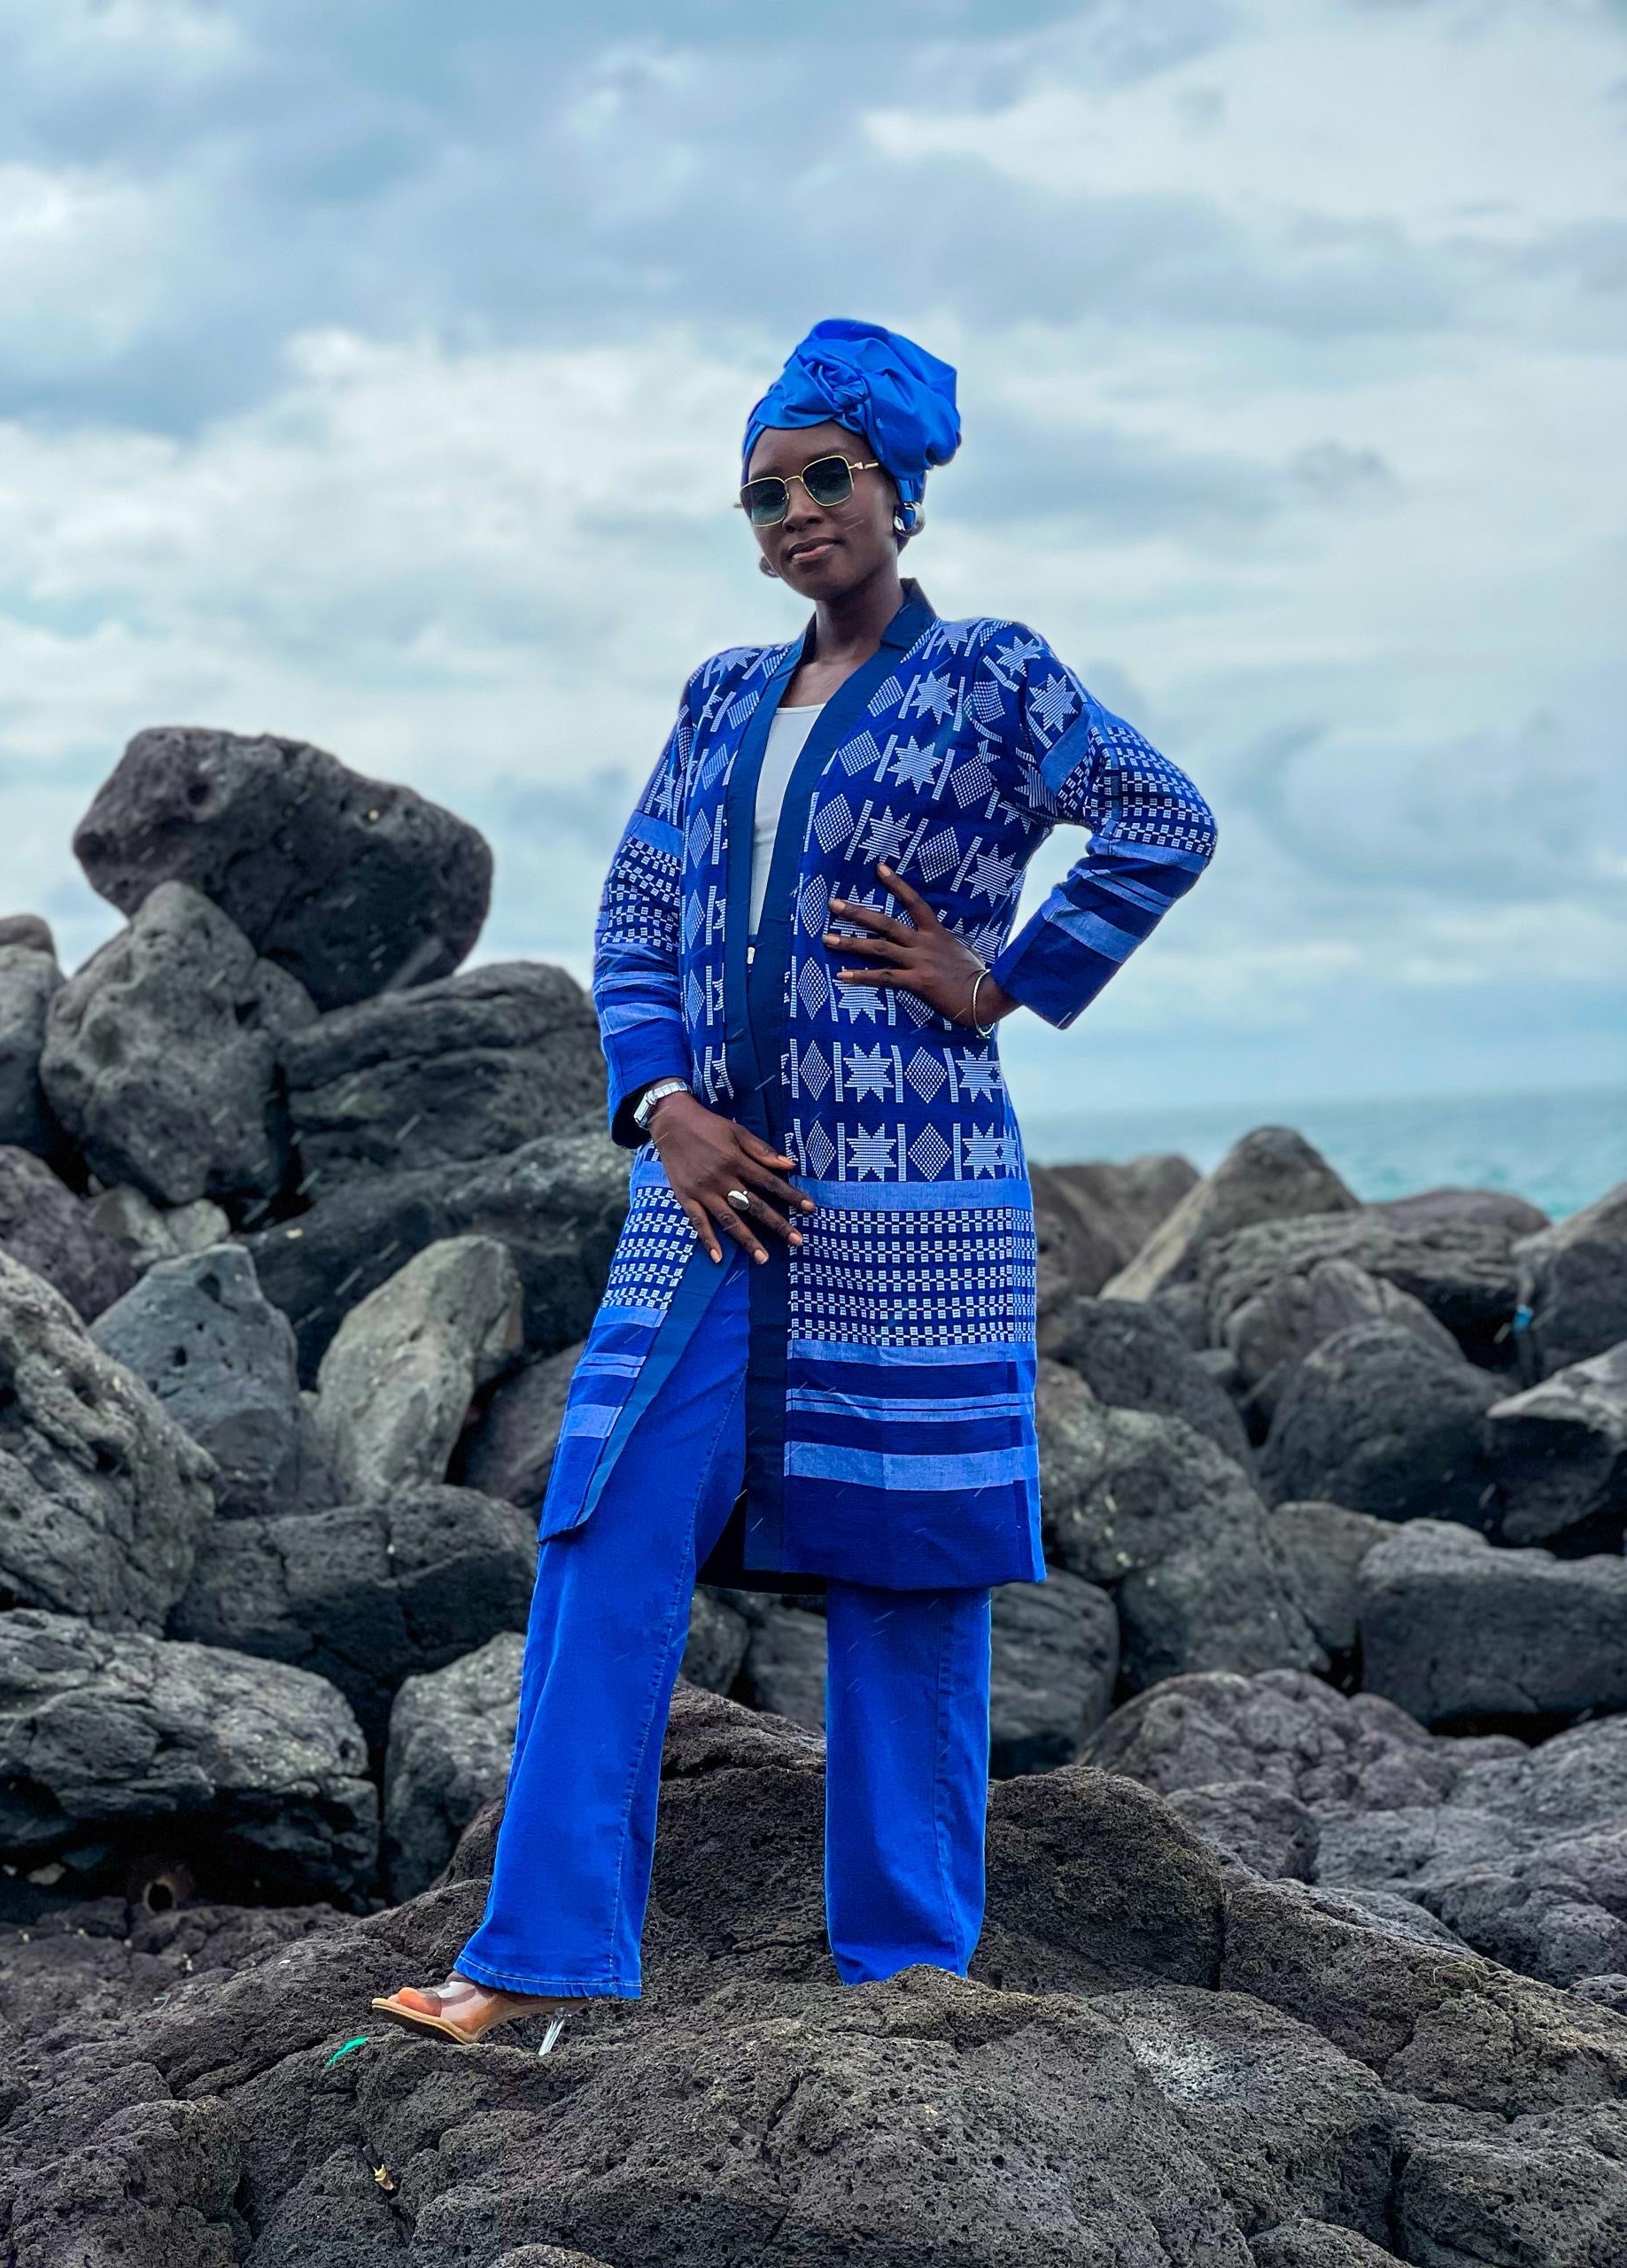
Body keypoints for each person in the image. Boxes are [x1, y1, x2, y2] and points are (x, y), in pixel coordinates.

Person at [373, 317, 1219, 2046]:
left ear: (899, 490)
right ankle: (534, 1961)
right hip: (701, 1205)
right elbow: (628, 920)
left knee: (911, 1570)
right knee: (603, 1523)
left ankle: (905, 1974)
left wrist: (1002, 978)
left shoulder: (994, 675)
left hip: (909, 1208)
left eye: (824, 475)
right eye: (761, 489)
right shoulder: (717, 700)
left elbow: (1163, 816)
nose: (792, 511)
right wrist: (661, 1099)